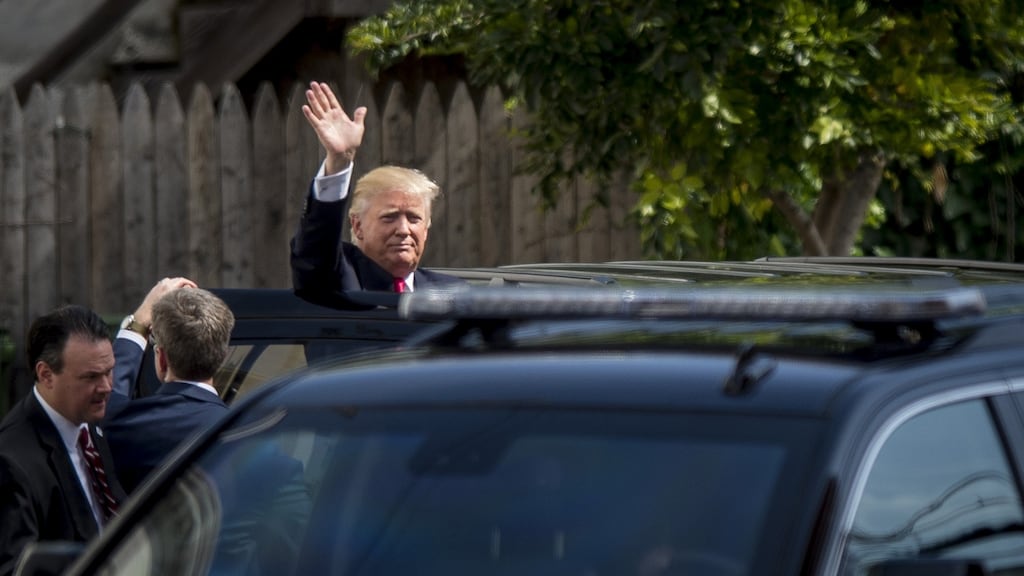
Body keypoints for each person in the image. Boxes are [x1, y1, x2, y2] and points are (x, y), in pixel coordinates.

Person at [290, 81, 463, 300]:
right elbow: (314, 253)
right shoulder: (339, 278)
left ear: (427, 228)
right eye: (389, 217)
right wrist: (339, 162)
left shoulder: (452, 293)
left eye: (414, 218)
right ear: (358, 225)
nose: (403, 229)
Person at [0, 305, 127, 576]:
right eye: (91, 376)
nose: (106, 387)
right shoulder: (11, 461)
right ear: (46, 374)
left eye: (109, 371)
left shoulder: (86, 422)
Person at [103, 284, 235, 493]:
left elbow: (107, 394)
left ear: (162, 359)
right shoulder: (247, 433)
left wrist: (137, 324)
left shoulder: (123, 423)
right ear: (223, 358)